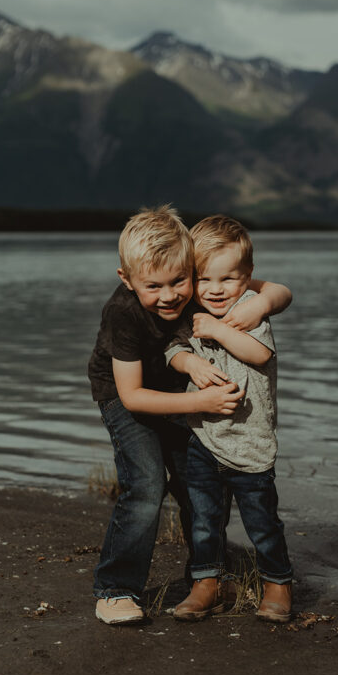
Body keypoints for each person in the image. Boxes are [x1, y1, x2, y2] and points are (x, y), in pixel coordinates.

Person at [87, 205, 292, 625]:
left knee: (193, 483)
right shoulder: (122, 314)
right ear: (126, 279)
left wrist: (263, 304)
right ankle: (116, 589)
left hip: (179, 391)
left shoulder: (202, 283)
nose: (170, 296)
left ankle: (207, 578)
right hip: (130, 394)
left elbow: (279, 290)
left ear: (189, 270)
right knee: (145, 484)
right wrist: (200, 402)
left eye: (180, 281)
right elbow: (133, 397)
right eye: (154, 286)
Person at [166, 214, 293, 624]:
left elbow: (260, 355)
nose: (216, 290)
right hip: (203, 439)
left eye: (229, 279)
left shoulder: (248, 312)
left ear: (248, 277)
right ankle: (208, 583)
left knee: (262, 524)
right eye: (204, 280)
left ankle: (277, 584)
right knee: (204, 521)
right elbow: (172, 351)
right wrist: (189, 364)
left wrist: (219, 331)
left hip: (251, 442)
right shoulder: (191, 313)